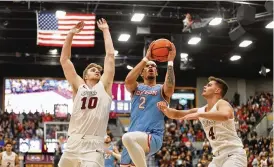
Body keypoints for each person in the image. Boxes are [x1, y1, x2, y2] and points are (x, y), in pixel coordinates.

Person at [58, 18, 115, 167]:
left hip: (93, 143)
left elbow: (110, 56)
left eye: (98, 70)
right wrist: (70, 34)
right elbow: (64, 60)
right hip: (73, 142)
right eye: (92, 70)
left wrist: (105, 30)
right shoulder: (79, 86)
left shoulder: (104, 86)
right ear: (85, 76)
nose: (97, 71)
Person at [157, 76, 247, 167]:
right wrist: (165, 109)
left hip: (233, 154)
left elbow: (225, 116)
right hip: (217, 157)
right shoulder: (201, 110)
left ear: (217, 90)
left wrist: (199, 115)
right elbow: (176, 114)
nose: (204, 87)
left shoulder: (222, 103)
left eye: (209, 85)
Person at [120, 41, 177, 167]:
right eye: (148, 66)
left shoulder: (161, 89)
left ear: (156, 72)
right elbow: (128, 80)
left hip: (153, 136)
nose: (151, 67)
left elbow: (170, 87)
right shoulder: (136, 88)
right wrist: (146, 59)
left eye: (154, 66)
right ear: (142, 72)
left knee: (127, 138)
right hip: (133, 135)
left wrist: (170, 62)